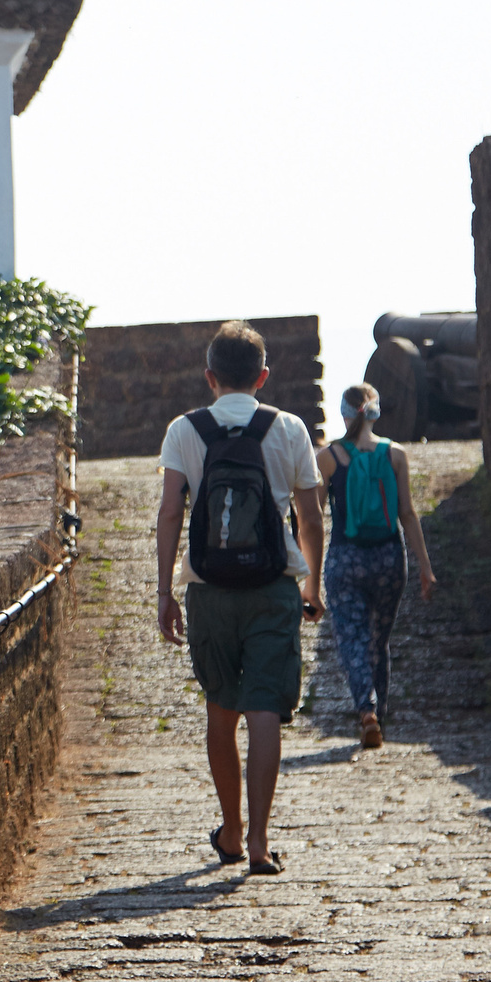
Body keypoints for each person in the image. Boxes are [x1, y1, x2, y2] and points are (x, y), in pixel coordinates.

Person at [155, 321, 325, 876]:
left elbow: (171, 512)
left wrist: (165, 591)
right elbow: (309, 513)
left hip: (209, 590)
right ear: (263, 376)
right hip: (273, 586)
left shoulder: (185, 429)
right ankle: (258, 841)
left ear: (210, 377)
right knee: (265, 710)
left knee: (221, 708)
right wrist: (312, 584)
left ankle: (228, 827)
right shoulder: (289, 427)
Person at [317, 383, 437, 749]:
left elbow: (312, 517)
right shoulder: (395, 454)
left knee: (352, 637)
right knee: (378, 641)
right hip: (389, 557)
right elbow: (408, 513)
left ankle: (366, 709)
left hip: (345, 557)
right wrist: (425, 567)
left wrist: (302, 569)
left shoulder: (328, 457)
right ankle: (378, 714)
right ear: (375, 413)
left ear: (344, 414)